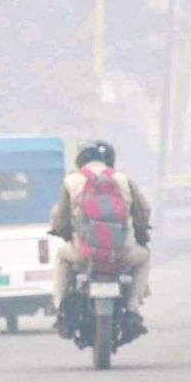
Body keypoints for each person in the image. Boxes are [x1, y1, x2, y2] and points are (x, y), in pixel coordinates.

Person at [50, 141, 152, 340]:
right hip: (121, 253)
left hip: (84, 254)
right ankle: (133, 309)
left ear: (80, 161)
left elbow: (61, 218)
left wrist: (63, 232)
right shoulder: (123, 179)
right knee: (144, 257)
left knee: (63, 257)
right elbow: (143, 211)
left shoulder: (71, 181)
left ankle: (60, 307)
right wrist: (141, 233)